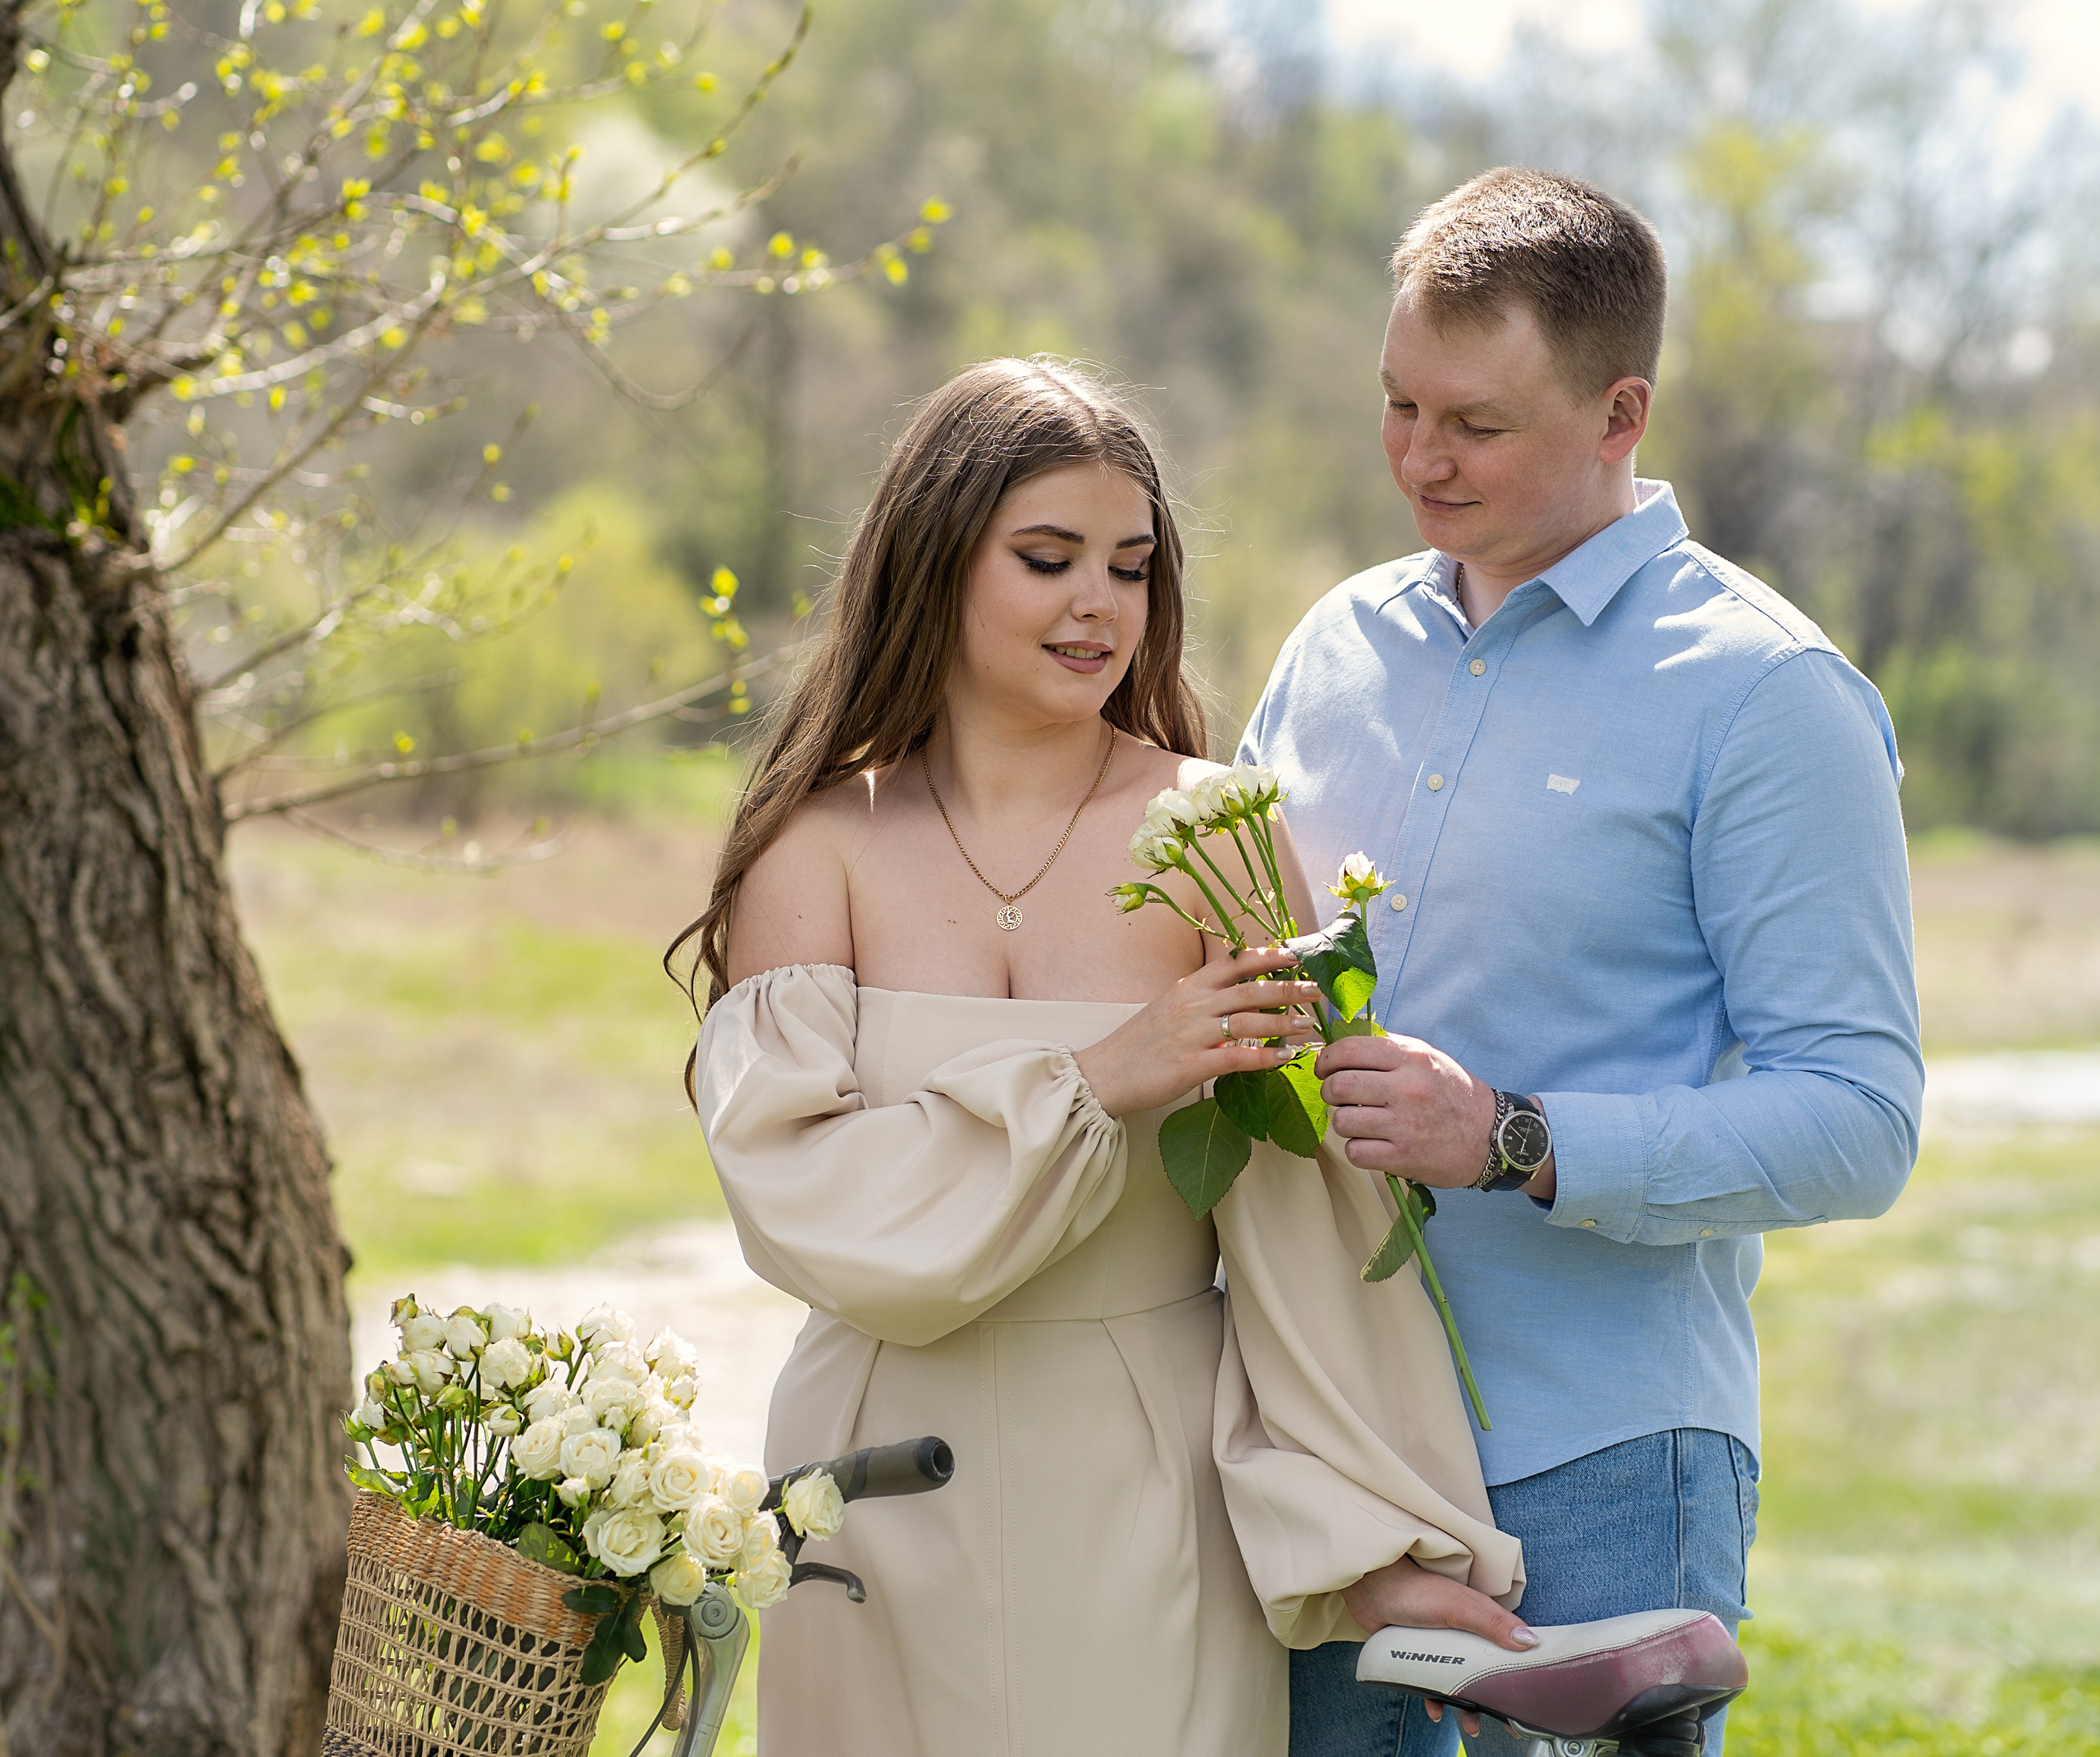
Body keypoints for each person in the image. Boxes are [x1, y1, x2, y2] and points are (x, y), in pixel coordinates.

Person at [675, 357, 1530, 1756]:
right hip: (873, 1471)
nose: (1099, 606)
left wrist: (1375, 1537)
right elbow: (806, 1205)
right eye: (1048, 558)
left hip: (1151, 1474)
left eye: (1129, 567)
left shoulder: (1216, 836)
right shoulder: (815, 847)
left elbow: (1302, 1239)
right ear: (938, 562)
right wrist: (1098, 1080)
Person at [1239, 169, 1925, 1757]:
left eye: (1472, 425)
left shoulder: (1766, 695)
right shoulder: (1332, 645)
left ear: (1619, 412)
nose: (1418, 458)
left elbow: (1857, 1116)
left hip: (1596, 1450)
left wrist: (1511, 1137)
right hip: (1322, 1450)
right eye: (1397, 406)